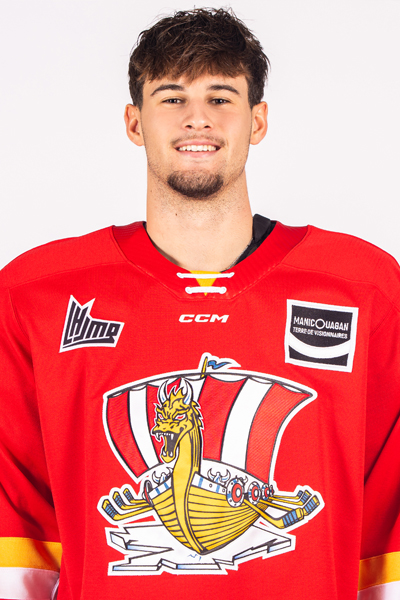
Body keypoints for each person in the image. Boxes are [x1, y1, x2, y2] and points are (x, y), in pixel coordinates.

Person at [0, 7, 399, 600]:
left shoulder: (364, 289)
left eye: (220, 97)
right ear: (134, 122)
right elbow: (19, 525)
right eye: (172, 98)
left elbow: (387, 524)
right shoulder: (38, 293)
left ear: (257, 120)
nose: (197, 118)